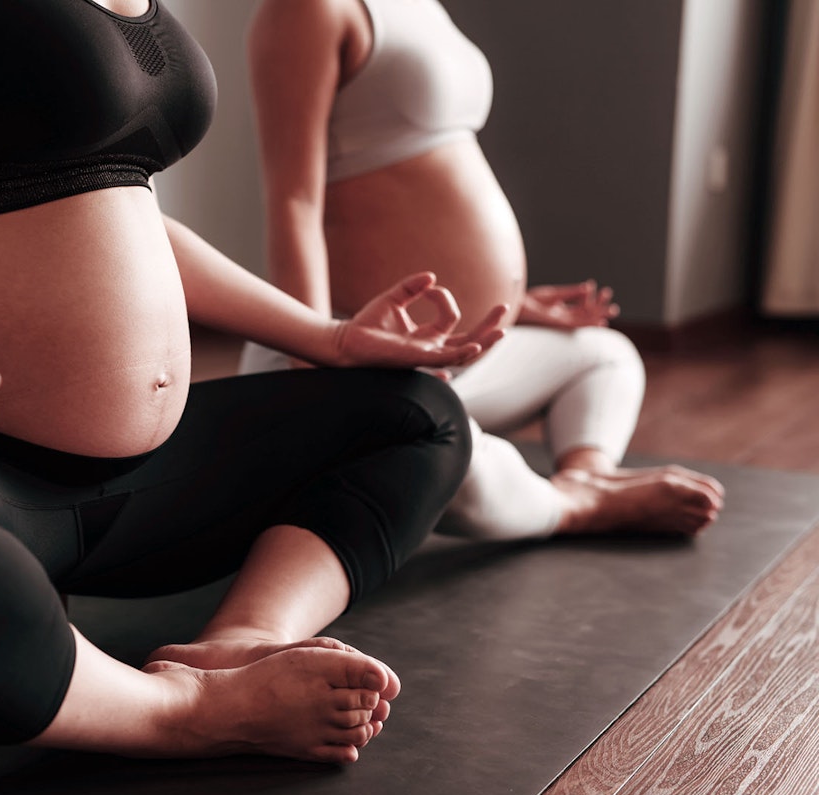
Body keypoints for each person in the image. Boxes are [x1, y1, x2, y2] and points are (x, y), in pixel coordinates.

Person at [0, 0, 508, 764]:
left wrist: (328, 337)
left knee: (417, 413)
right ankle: (183, 713)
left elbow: (118, 214)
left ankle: (238, 639)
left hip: (145, 487)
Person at [241, 0, 726, 541]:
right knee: (440, 464)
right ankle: (573, 506)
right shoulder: (307, 8)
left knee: (606, 354)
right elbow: (294, 204)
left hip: (451, 353)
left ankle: (590, 475)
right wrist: (318, 370)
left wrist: (512, 301)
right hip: (349, 357)